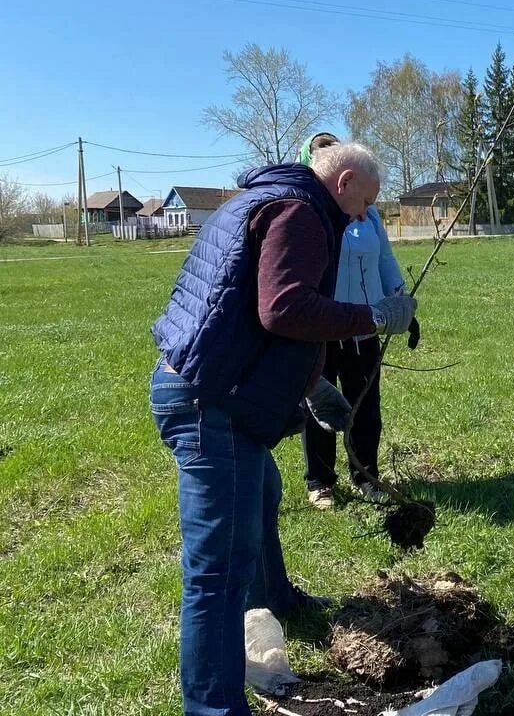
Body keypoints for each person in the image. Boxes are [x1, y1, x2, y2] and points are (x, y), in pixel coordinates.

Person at [149, 141, 418, 716]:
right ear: (343, 181)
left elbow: (245, 308)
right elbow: (285, 308)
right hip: (210, 403)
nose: (365, 216)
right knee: (217, 572)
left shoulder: (271, 198)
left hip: (220, 389)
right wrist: (370, 316)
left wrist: (310, 383)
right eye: (365, 203)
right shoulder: (300, 212)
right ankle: (214, 708)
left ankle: (279, 601)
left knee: (263, 496)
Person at [295, 133, 419, 510]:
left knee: (366, 405)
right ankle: (320, 481)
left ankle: (366, 474)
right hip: (321, 325)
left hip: (366, 324)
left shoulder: (369, 214)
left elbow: (384, 259)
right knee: (320, 405)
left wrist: (404, 306)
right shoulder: (307, 210)